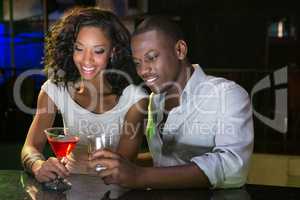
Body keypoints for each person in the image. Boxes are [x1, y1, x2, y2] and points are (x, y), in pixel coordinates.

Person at [90, 16, 254, 189]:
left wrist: (140, 175)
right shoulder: (155, 100)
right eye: (137, 63)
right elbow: (165, 160)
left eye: (151, 57)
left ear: (180, 50)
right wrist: (123, 166)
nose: (143, 70)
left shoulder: (227, 95)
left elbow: (233, 168)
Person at [21, 7, 147, 197]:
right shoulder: (55, 89)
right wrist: (38, 165)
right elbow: (30, 147)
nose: (86, 60)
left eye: (98, 51)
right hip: (68, 192)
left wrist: (82, 162)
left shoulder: (135, 100)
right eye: (79, 48)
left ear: (113, 51)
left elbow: (121, 169)